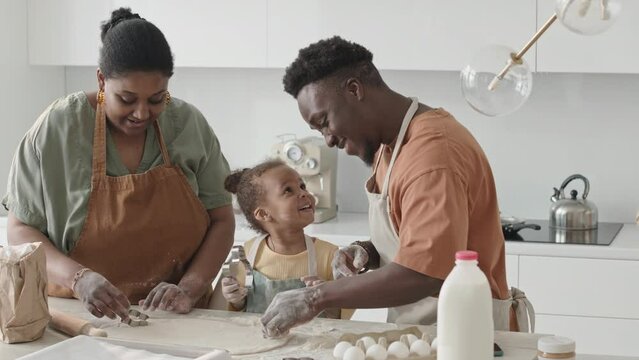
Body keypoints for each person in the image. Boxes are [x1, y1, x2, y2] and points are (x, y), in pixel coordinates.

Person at [260, 36, 534, 338]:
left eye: (324, 121)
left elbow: (423, 273)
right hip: (423, 331)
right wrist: (368, 251)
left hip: (465, 334)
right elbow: (415, 240)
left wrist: (315, 298)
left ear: (354, 90)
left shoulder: (433, 154)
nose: (328, 139)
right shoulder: (387, 147)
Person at [2, 8, 235, 321]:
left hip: (179, 316)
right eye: (126, 99)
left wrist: (190, 287)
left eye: (157, 99)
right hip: (77, 318)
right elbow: (19, 229)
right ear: (101, 79)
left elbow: (222, 219)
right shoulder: (59, 128)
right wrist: (79, 278)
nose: (141, 113)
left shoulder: (188, 125)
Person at [219, 160, 350, 319]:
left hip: (312, 343)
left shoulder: (330, 255)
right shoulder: (247, 254)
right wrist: (235, 299)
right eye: (288, 190)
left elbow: (344, 314)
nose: (304, 193)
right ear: (263, 214)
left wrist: (327, 297)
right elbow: (239, 309)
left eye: (302, 186)